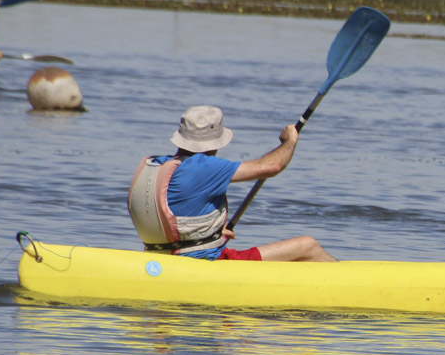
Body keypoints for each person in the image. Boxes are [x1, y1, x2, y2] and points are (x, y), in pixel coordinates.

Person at [128, 105, 335, 262]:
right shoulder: (204, 166)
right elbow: (272, 166)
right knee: (308, 246)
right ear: (215, 143)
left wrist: (211, 234)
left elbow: (171, 216)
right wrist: (289, 141)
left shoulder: (154, 164)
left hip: (163, 258)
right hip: (205, 263)